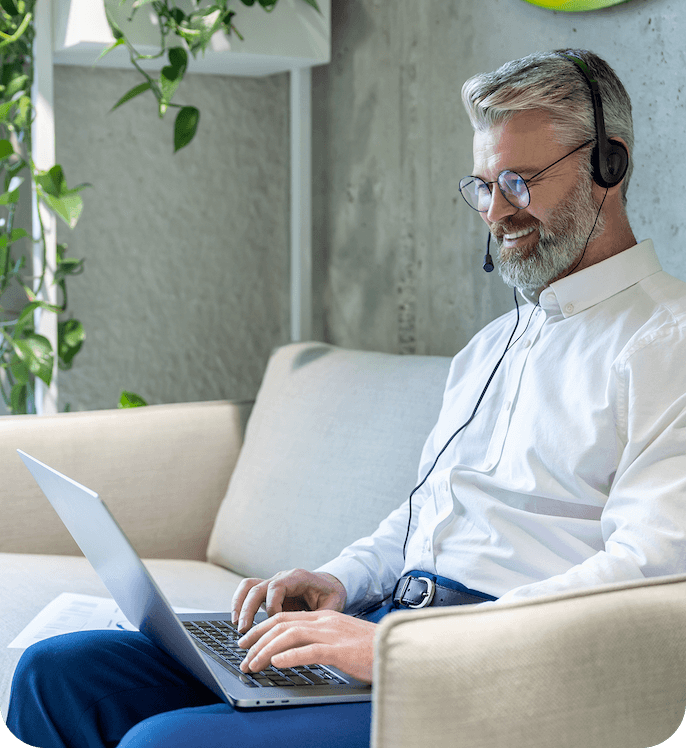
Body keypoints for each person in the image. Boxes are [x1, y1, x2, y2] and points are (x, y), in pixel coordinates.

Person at [7, 48, 686, 748]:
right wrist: (338, 578)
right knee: (59, 673)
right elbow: (427, 510)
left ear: (609, 163)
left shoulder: (667, 344)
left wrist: (407, 646)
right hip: (390, 629)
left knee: (161, 742)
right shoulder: (493, 347)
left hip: (488, 675)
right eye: (482, 186)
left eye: (519, 180)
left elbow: (646, 575)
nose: (497, 211)